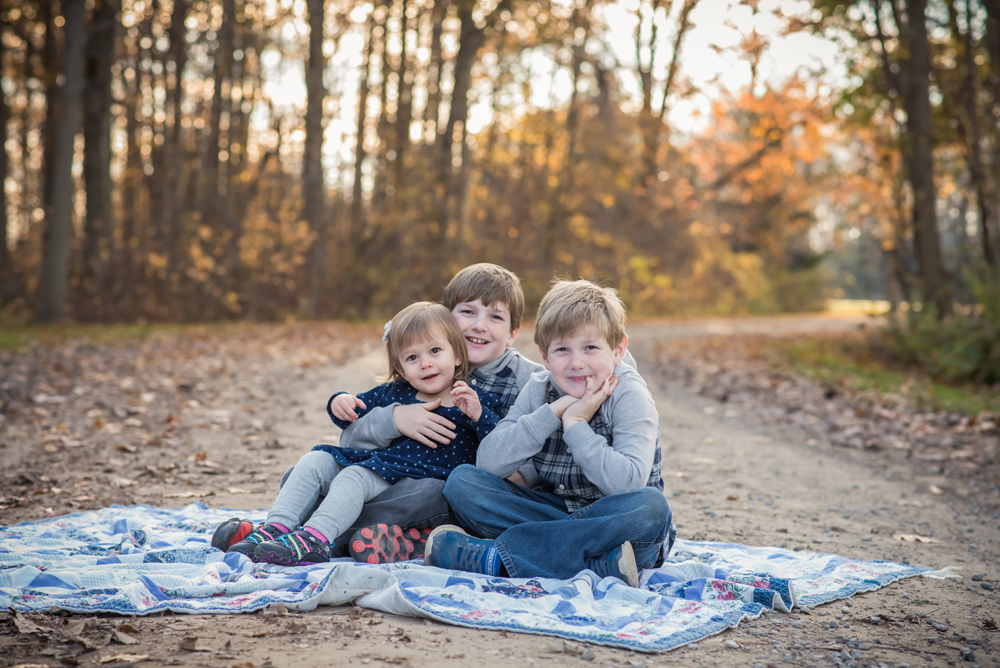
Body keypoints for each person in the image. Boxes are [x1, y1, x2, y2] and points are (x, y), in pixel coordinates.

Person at [425, 279, 674, 587]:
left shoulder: (629, 394)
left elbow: (627, 484)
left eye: (591, 348)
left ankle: (497, 559)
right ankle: (596, 565)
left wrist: (577, 425)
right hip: (556, 513)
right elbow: (488, 463)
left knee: (650, 507)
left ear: (618, 350)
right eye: (562, 350)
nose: (577, 363)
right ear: (544, 356)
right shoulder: (541, 388)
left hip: (617, 521)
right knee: (463, 482)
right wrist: (555, 412)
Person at [212, 302, 501, 566]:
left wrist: (479, 415)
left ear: (458, 357)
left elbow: (497, 448)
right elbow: (353, 414)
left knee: (354, 477)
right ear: (400, 367)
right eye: (413, 357)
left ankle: (315, 539)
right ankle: (275, 528)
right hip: (378, 473)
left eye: (435, 351)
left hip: (417, 489)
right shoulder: (394, 393)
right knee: (314, 461)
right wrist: (340, 401)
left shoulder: (475, 400)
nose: (425, 363)